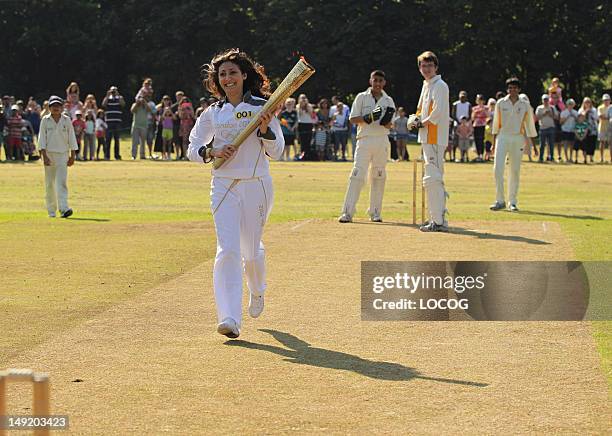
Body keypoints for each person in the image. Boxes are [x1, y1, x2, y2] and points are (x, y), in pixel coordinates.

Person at [187, 48, 284, 339]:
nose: (228, 78)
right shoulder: (213, 112)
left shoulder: (262, 108)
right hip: (223, 185)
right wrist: (210, 151)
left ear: (244, 75)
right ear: (217, 80)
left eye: (232, 72)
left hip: (257, 184)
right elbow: (192, 148)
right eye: (222, 74)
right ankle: (229, 317)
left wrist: (265, 130)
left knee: (250, 253)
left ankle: (257, 290)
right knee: (227, 250)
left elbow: (277, 151)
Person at [338, 69, 395, 223]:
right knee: (357, 174)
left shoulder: (388, 100)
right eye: (375, 80)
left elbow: (391, 125)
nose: (377, 83)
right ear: (371, 81)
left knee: (378, 175)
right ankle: (347, 212)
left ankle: (375, 211)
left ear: (384, 83)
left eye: (380, 81)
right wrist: (367, 117)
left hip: (381, 140)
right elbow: (352, 119)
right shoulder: (361, 97)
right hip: (364, 139)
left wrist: (387, 123)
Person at [407, 51, 450, 231]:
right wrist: (413, 120)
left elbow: (437, 113)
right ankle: (438, 218)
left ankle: (438, 221)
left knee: (433, 178)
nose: (426, 69)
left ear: (436, 67)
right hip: (426, 137)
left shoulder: (440, 85)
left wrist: (420, 124)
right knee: (432, 177)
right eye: (423, 66)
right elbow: (419, 110)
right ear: (419, 68)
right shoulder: (426, 85)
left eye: (430, 65)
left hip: (435, 136)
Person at [490, 77, 537, 212]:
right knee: (498, 169)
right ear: (507, 89)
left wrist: (533, 145)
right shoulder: (501, 103)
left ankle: (512, 202)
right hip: (503, 137)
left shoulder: (524, 105)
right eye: (510, 88)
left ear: (519, 89)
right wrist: (493, 143)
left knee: (514, 171)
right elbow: (495, 125)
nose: (512, 90)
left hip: (518, 138)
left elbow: (530, 126)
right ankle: (500, 200)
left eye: (515, 88)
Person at [38, 96, 78, 218]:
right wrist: (44, 156)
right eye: (53, 106)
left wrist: (72, 156)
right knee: (50, 183)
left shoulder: (66, 120)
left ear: (62, 107)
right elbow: (42, 139)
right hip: (49, 154)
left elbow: (72, 138)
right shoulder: (45, 120)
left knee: (61, 182)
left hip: (63, 155)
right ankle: (51, 211)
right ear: (49, 108)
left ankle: (64, 208)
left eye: (58, 106)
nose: (56, 108)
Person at [102, 86, 125, 160]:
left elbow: (123, 104)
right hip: (109, 122)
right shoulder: (107, 99)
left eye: (114, 91)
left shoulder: (119, 98)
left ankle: (117, 155)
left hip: (117, 122)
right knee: (108, 139)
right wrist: (107, 95)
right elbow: (103, 104)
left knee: (116, 140)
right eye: (112, 91)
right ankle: (107, 155)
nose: (113, 92)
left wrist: (118, 95)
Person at [535, 94, 558, 162]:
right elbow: (536, 117)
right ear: (542, 100)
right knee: (542, 145)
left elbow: (557, 117)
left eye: (547, 100)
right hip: (542, 128)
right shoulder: (539, 108)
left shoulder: (552, 108)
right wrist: (544, 114)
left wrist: (551, 114)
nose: (545, 101)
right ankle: (541, 158)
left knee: (551, 144)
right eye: (544, 100)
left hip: (551, 128)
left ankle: (551, 157)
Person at [451, 90, 471, 162]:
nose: (463, 98)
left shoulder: (468, 104)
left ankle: (464, 157)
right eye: (461, 97)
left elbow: (470, 114)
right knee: (455, 141)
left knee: (465, 142)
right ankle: (453, 156)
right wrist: (458, 122)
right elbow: (453, 114)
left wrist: (465, 122)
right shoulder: (455, 104)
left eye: (464, 97)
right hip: (457, 123)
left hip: (466, 124)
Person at [296, 94, 316, 160]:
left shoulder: (309, 106)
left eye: (304, 98)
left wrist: (306, 106)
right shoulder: (298, 106)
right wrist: (301, 106)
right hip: (301, 124)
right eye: (302, 98)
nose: (303, 99)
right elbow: (299, 114)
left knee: (308, 141)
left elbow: (311, 115)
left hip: (308, 124)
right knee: (302, 141)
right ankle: (302, 155)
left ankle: (308, 155)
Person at [579, 97, 598, 163]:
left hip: (592, 129)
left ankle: (591, 158)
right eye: (586, 102)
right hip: (584, 129)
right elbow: (579, 119)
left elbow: (596, 118)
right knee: (584, 144)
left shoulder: (594, 110)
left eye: (588, 102)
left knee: (592, 143)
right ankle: (585, 159)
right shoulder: (581, 110)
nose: (587, 103)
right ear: (583, 103)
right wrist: (585, 112)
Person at [560, 98, 578, 163]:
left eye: (572, 104)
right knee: (565, 144)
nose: (570, 105)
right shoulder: (564, 112)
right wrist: (567, 117)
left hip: (572, 130)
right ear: (567, 105)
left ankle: (571, 158)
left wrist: (574, 116)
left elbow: (578, 121)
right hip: (565, 130)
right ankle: (566, 158)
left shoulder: (575, 112)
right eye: (569, 104)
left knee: (571, 145)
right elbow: (561, 122)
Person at [471, 94, 488, 161]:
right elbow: (472, 117)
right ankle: (478, 155)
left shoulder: (486, 108)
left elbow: (488, 116)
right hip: (476, 125)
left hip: (483, 125)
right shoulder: (474, 108)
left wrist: (483, 111)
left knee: (482, 140)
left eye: (481, 100)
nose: (480, 101)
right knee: (477, 140)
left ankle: (482, 154)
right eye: (478, 100)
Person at [597, 94, 610, 163]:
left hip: (610, 128)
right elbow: (600, 116)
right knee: (602, 142)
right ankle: (601, 158)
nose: (606, 101)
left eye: (607, 100)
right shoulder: (600, 108)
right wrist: (608, 118)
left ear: (610, 100)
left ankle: (611, 158)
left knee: (611, 143)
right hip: (602, 127)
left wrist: (606, 117)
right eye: (605, 100)